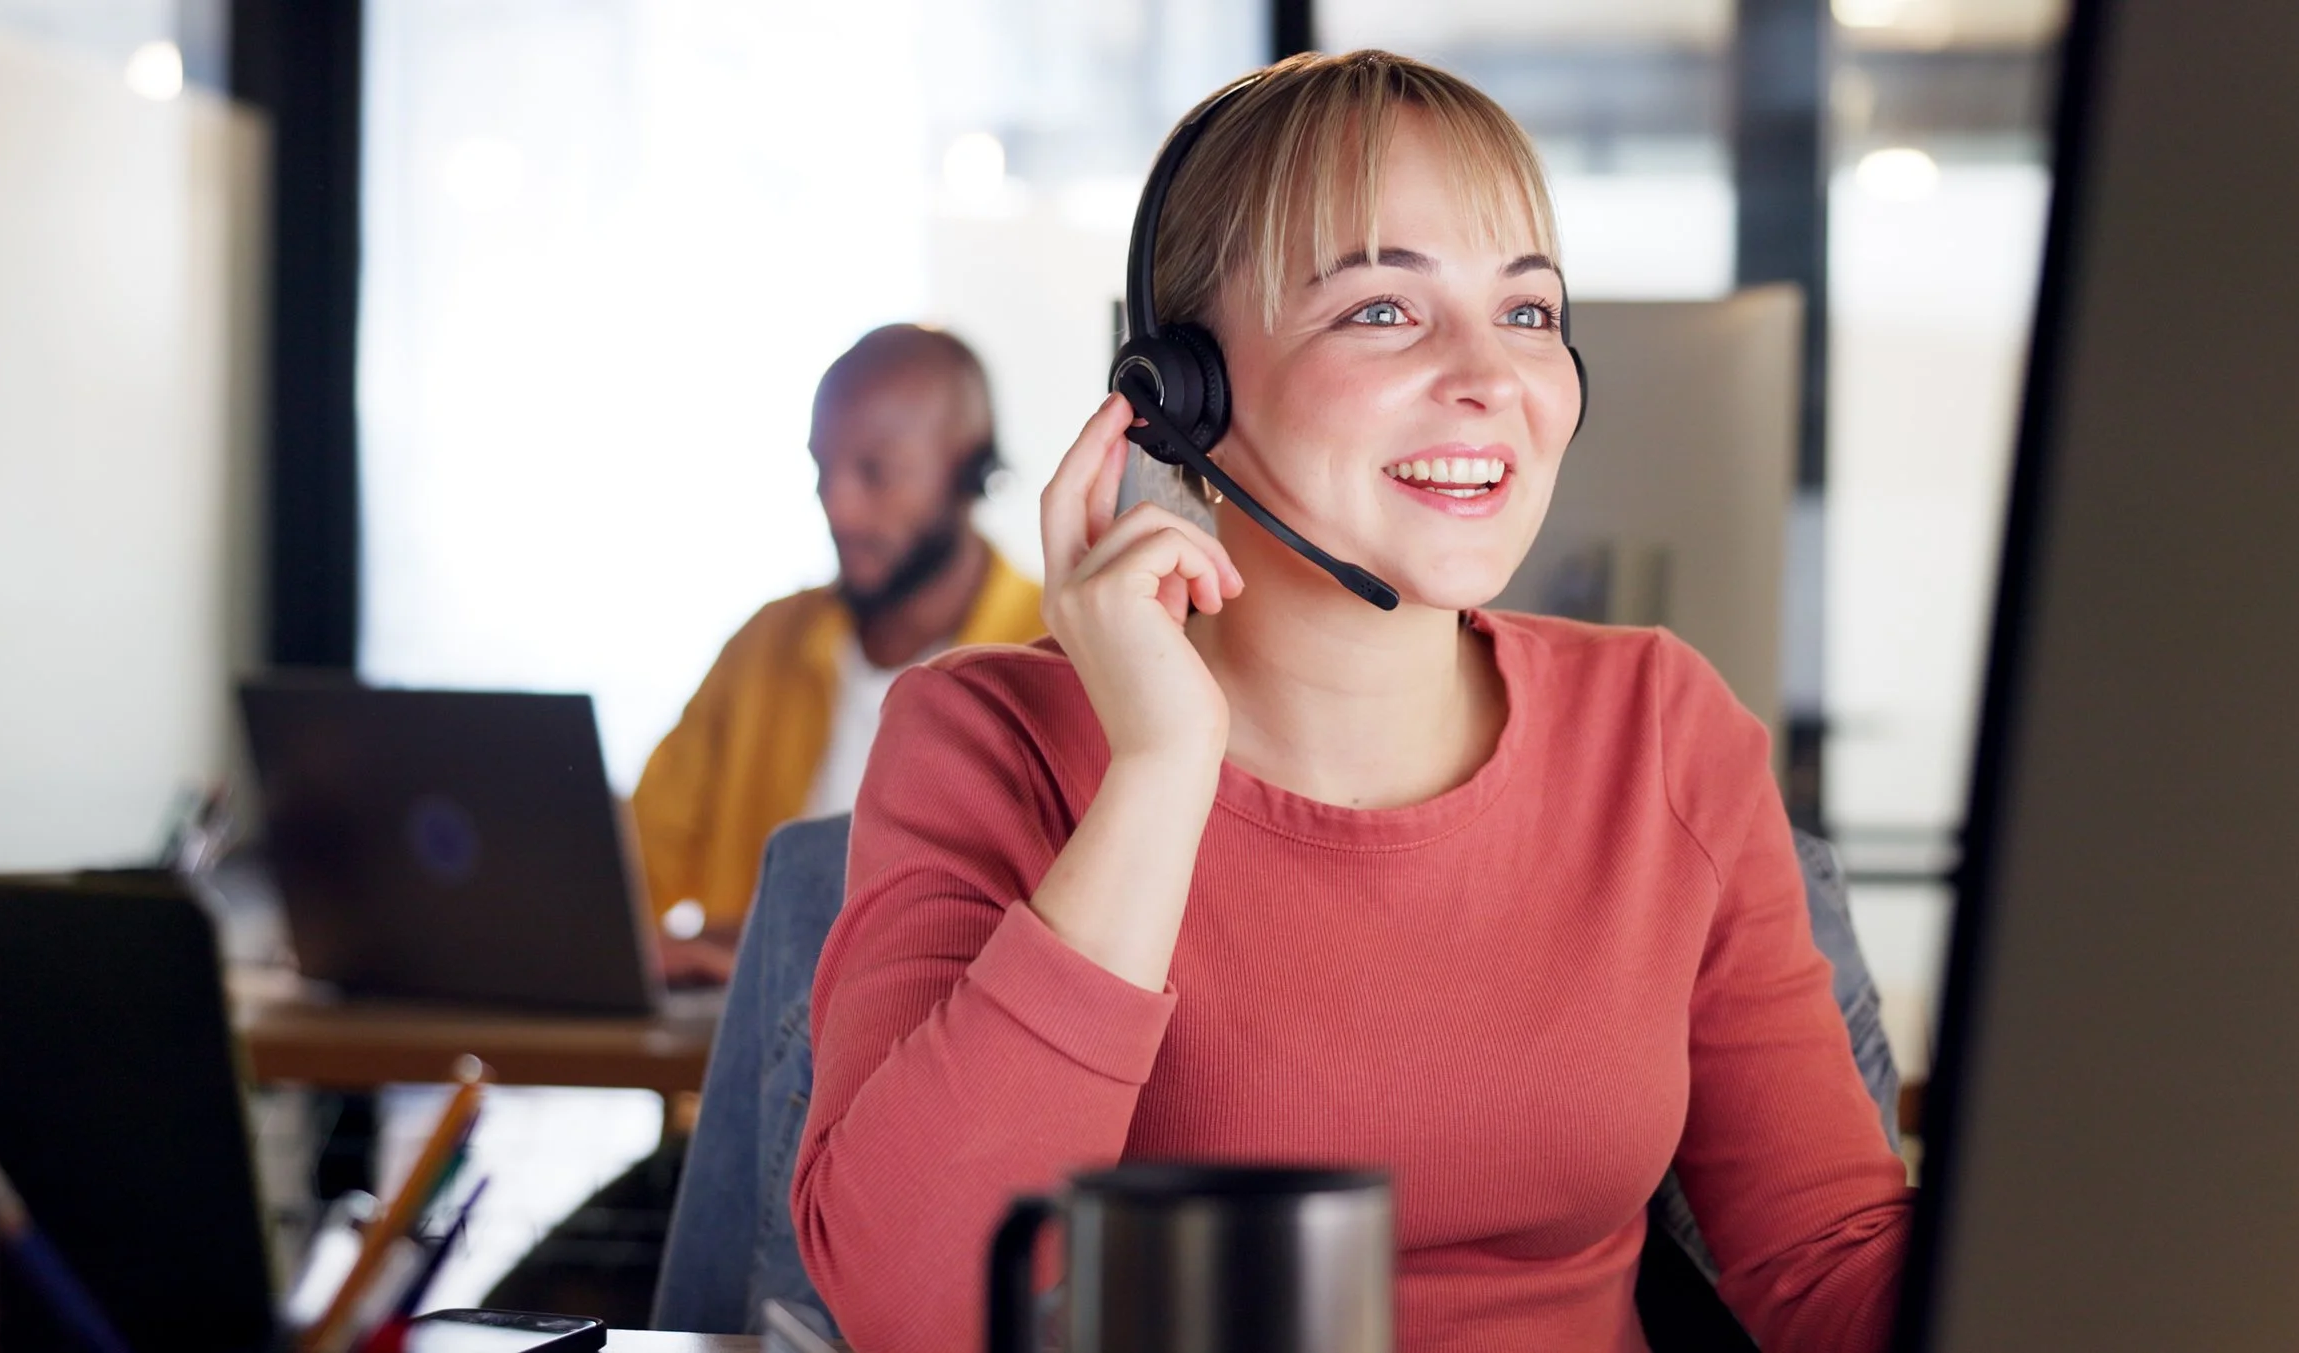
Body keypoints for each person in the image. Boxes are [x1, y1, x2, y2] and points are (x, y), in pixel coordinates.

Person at [792, 51, 1912, 1353]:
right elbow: (917, 1312)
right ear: (1177, 393)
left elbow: (1829, 1268)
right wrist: (1158, 771)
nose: (1491, 378)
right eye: (1384, 310)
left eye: (1531, 313)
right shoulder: (986, 740)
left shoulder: (1658, 725)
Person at [629, 324, 1045, 983]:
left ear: (969, 470)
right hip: (753, 1059)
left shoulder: (1057, 654)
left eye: (875, 472)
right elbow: (637, 859)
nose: (839, 507)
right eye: (823, 469)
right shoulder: (766, 645)